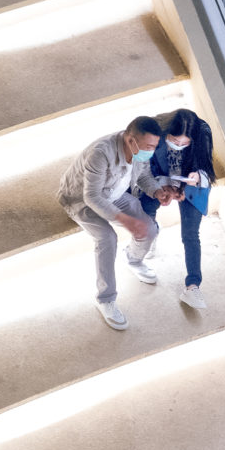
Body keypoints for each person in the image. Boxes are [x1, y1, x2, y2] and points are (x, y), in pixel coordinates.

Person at [56, 116, 165, 328]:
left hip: (114, 193)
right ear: (131, 140)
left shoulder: (140, 151)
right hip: (82, 201)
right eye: (149, 146)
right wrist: (122, 218)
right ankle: (105, 299)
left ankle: (133, 259)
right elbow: (92, 197)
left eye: (155, 146)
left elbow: (144, 177)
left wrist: (157, 191)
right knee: (107, 238)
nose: (152, 151)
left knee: (150, 229)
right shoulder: (101, 153)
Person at [137, 107, 214, 311]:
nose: (179, 146)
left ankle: (193, 286)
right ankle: (151, 235)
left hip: (190, 184)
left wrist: (195, 179)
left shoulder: (202, 132)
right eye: (174, 140)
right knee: (147, 209)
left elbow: (207, 170)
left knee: (191, 234)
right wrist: (163, 185)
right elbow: (144, 168)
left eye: (184, 143)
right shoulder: (152, 129)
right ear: (166, 133)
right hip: (158, 180)